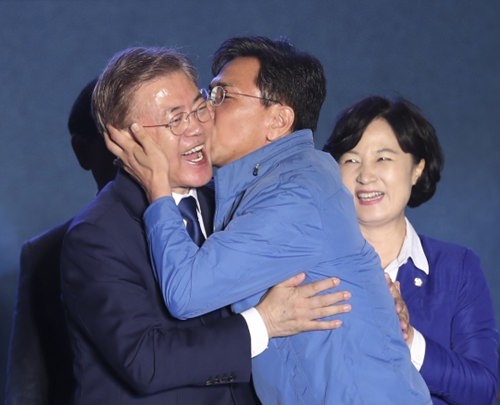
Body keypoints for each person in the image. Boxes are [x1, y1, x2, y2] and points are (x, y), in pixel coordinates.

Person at [106, 37, 431, 404]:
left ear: (278, 120)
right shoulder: (272, 185)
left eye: (222, 96)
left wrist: (158, 186)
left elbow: (187, 292)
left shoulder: (296, 197)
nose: (205, 112)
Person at [60, 46, 351, 405]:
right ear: (124, 139)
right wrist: (263, 323)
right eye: (175, 120)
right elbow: (146, 361)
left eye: (200, 108)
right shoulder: (97, 235)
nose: (197, 128)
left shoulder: (237, 203)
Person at [323, 95, 499, 405]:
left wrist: (409, 340)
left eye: (383, 158)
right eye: (351, 160)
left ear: (417, 169)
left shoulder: (457, 268)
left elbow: (482, 389)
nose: (365, 175)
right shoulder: (311, 265)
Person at [4, 78, 117, 405]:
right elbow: (27, 384)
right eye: (113, 140)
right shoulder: (45, 253)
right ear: (83, 151)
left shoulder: (217, 225)